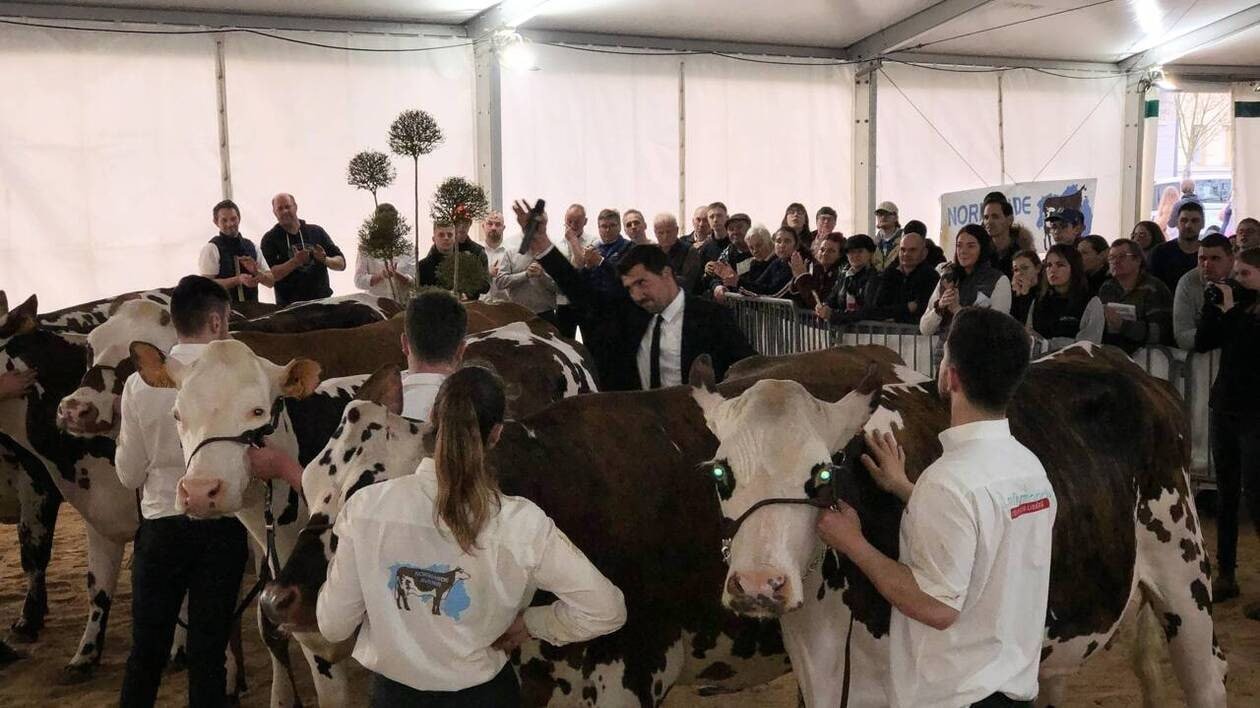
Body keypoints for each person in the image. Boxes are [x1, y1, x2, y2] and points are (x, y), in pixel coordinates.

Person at [316, 365, 626, 706]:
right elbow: (607, 609)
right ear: (496, 434)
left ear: (433, 416)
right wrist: (533, 623)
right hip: (484, 696)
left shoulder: (366, 508)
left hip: (393, 696)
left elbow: (333, 627)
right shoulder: (522, 523)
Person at [816, 307, 1055, 708]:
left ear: (951, 375)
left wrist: (853, 543)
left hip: (955, 696)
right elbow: (986, 532)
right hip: (1013, 690)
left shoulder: (949, 482)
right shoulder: (1029, 469)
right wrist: (909, 491)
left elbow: (936, 606)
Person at [116, 275, 249, 708]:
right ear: (215, 322)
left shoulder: (140, 384)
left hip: (160, 526)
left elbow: (129, 475)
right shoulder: (240, 376)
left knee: (146, 651)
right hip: (221, 525)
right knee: (209, 652)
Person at [515, 199, 756, 390]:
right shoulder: (629, 313)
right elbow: (579, 290)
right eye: (630, 287)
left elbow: (748, 369)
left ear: (666, 274)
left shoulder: (712, 318)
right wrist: (542, 244)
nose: (637, 294)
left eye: (642, 283)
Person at [1194, 248, 1260, 615]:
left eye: (1246, 274)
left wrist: (1231, 309)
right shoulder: (1237, 308)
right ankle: (1226, 573)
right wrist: (1213, 307)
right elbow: (1204, 342)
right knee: (1227, 493)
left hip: (1255, 413)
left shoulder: (1246, 313)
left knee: (1256, 496)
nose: (1237, 280)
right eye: (1236, 273)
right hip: (1226, 407)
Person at [920, 225, 1012, 336]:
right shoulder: (947, 278)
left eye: (971, 246)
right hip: (945, 350)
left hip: (979, 351)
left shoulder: (998, 280)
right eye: (959, 246)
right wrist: (939, 307)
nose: (963, 251)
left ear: (982, 248)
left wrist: (957, 309)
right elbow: (924, 329)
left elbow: (997, 329)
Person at [260, 193, 346, 307]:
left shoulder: (316, 232)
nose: (284, 211)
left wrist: (325, 260)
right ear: (274, 212)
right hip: (289, 308)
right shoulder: (269, 239)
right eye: (280, 209)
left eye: (287, 207)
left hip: (323, 303)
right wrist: (295, 262)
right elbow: (270, 277)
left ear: (295, 207)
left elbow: (341, 264)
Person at [1098, 238, 1173, 354]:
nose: (1115, 261)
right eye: (1111, 258)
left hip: (1149, 356)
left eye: (1122, 256)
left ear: (1137, 260)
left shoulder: (1153, 288)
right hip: (1112, 353)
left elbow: (1162, 333)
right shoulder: (1107, 288)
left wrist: (1123, 325)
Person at [1026, 244, 1104, 352]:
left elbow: (1088, 346)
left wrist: (1047, 345)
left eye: (1060, 265)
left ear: (1074, 268)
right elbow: (1030, 337)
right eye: (1049, 265)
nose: (1052, 270)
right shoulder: (1039, 300)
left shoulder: (1090, 302)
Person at [198, 199, 275, 304]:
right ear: (216, 222)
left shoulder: (252, 246)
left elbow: (270, 282)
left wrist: (257, 273)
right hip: (223, 314)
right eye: (224, 220)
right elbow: (205, 286)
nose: (230, 224)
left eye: (233, 219)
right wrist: (238, 280)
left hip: (252, 312)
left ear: (239, 218)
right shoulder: (211, 248)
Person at [862, 231, 940, 325]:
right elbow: (875, 310)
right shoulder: (890, 274)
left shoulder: (931, 277)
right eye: (903, 250)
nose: (906, 254)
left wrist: (893, 314)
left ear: (924, 253)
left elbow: (922, 312)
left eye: (912, 250)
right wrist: (907, 307)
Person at [1174, 233, 1235, 350]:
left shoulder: (1244, 279)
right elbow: (1182, 337)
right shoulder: (1187, 282)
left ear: (1231, 260)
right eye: (1202, 259)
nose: (1207, 265)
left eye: (1215, 258)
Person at [355, 203, 417, 301]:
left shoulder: (407, 248)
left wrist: (397, 275)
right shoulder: (366, 248)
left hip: (402, 304)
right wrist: (381, 275)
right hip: (376, 306)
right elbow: (358, 281)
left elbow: (415, 282)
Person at [713, 227, 793, 301]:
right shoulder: (754, 263)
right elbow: (753, 286)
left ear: (769, 242)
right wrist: (731, 286)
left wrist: (738, 283)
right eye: (751, 248)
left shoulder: (782, 262)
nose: (755, 251)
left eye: (758, 245)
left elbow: (770, 292)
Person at [554, 204, 597, 338]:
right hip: (563, 302)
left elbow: (580, 266)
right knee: (564, 344)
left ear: (585, 221)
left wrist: (573, 241)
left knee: (591, 343)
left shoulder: (594, 241)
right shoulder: (557, 244)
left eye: (577, 221)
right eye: (569, 221)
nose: (572, 225)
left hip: (586, 302)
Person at [815, 234, 878, 325]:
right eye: (851, 252)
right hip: (844, 331)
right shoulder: (844, 276)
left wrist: (834, 316)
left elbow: (867, 311)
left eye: (860, 251)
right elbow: (832, 298)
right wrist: (824, 307)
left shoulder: (875, 278)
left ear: (870, 253)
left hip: (866, 333)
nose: (855, 256)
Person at [494, 245, 558, 325]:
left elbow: (559, 288)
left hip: (546, 315)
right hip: (518, 315)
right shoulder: (510, 253)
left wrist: (542, 276)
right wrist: (525, 275)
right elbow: (500, 282)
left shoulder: (551, 254)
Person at [1150, 201, 1205, 293]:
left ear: (1202, 224)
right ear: (1177, 223)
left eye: (1194, 221)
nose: (1188, 225)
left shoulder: (1208, 254)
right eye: (1184, 220)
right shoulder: (1160, 252)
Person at [981, 195, 1035, 278]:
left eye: (995, 217)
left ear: (1009, 220)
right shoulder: (980, 253)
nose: (989, 221)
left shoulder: (1025, 252)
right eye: (986, 217)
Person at [791, 232, 844, 310]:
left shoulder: (840, 274)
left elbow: (818, 303)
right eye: (822, 249)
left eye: (831, 251)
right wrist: (797, 276)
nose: (824, 253)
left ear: (840, 255)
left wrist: (802, 277)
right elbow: (796, 296)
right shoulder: (814, 267)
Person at [654, 212, 704, 294]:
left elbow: (688, 282)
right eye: (661, 233)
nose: (665, 236)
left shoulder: (689, 251)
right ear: (655, 233)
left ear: (677, 230)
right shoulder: (653, 252)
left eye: (668, 232)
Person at [481, 211, 510, 303]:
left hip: (505, 307)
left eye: (498, 224)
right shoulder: (475, 251)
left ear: (503, 228)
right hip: (479, 307)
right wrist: (486, 273)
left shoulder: (511, 252)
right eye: (490, 224)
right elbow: (467, 279)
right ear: (483, 226)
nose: (493, 228)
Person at [1009, 250, 1042, 326]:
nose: (1020, 273)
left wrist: (1025, 294)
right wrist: (1017, 296)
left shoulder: (1045, 292)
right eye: (1016, 270)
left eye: (1024, 268)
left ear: (1038, 268)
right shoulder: (1014, 292)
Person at [697, 202, 732, 267]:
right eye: (711, 217)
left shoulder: (735, 243)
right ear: (708, 220)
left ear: (727, 218)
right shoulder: (705, 248)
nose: (715, 220)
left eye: (719, 216)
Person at [872, 201, 902, 272]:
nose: (883, 217)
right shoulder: (873, 243)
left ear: (896, 217)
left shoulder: (904, 241)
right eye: (879, 214)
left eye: (887, 214)